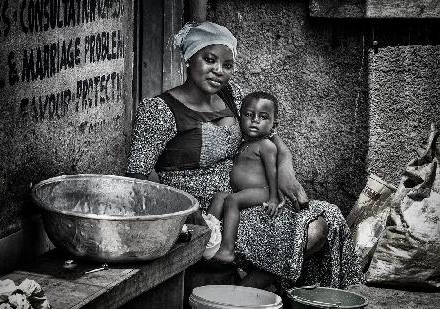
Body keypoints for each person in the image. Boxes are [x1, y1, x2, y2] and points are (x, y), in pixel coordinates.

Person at [125, 21, 363, 289]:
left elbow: (268, 134)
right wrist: (184, 217)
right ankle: (237, 297)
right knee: (311, 231)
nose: (219, 71)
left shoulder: (232, 96)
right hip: (206, 214)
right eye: (210, 60)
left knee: (327, 217)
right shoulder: (158, 110)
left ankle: (242, 294)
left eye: (227, 65)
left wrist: (285, 168)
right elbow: (137, 179)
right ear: (189, 59)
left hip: (244, 199)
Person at [207, 91, 281, 264]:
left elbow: (273, 172)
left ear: (274, 124)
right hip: (246, 191)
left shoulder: (266, 146)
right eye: (248, 115)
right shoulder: (243, 143)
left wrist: (273, 198)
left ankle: (227, 249)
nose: (254, 120)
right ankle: (205, 239)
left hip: (262, 191)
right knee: (219, 197)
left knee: (232, 200)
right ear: (240, 117)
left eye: (263, 117)